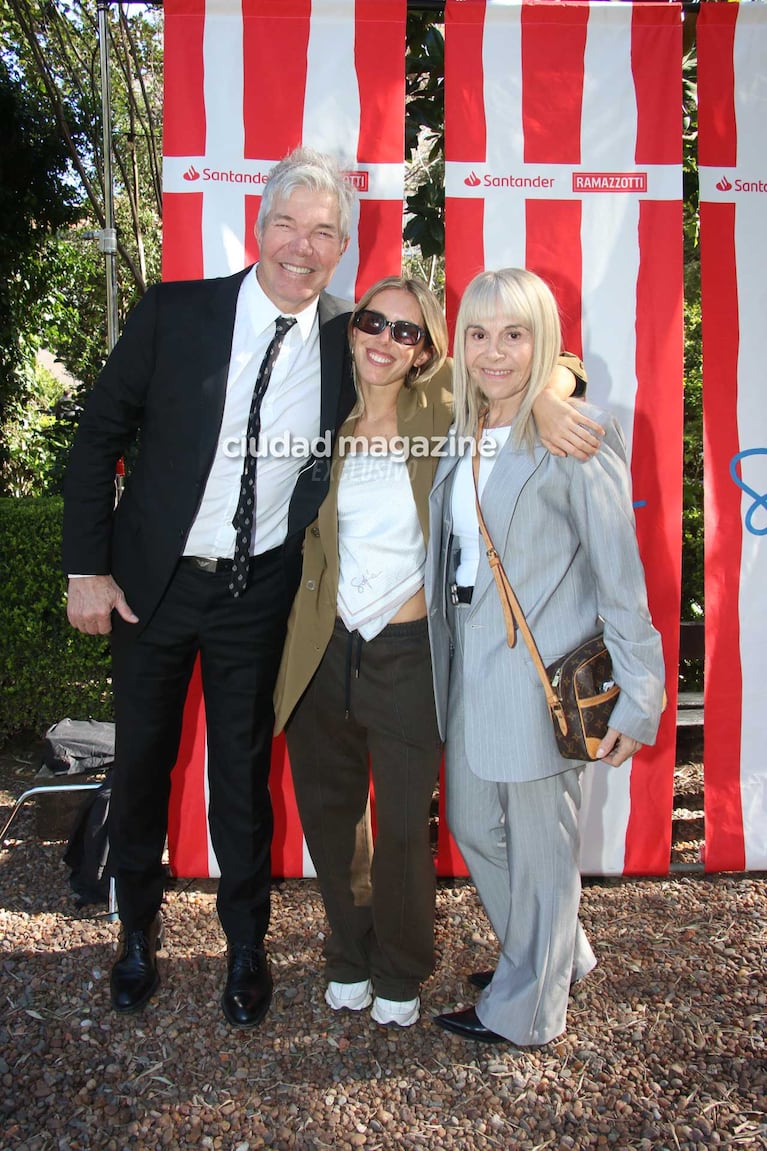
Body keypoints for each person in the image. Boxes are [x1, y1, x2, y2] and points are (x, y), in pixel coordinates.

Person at [62, 147, 358, 1028]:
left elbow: (448, 388)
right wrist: (86, 566)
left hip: (258, 592)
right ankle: (137, 937)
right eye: (286, 225)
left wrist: (559, 390)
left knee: (240, 777)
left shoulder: (352, 340)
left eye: (323, 232)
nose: (301, 247)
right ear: (256, 227)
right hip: (149, 588)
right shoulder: (175, 312)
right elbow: (95, 439)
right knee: (145, 766)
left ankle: (245, 948)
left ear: (343, 245)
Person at [273, 276, 589, 1028]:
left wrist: (550, 393)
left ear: (424, 351)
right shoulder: (322, 404)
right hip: (322, 645)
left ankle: (401, 966)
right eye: (371, 322)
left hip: (410, 649)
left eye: (405, 331)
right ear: (351, 329)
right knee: (330, 816)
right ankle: (348, 954)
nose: (384, 338)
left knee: (403, 829)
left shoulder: (447, 396)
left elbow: (553, 357)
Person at [425, 268, 666, 1047]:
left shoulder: (574, 435)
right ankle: (554, 952)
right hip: (469, 661)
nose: (494, 352)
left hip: (540, 671)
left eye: (514, 333)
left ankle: (530, 1009)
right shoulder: (465, 427)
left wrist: (641, 694)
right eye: (478, 333)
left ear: (544, 341)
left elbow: (618, 575)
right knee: (470, 820)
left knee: (542, 844)